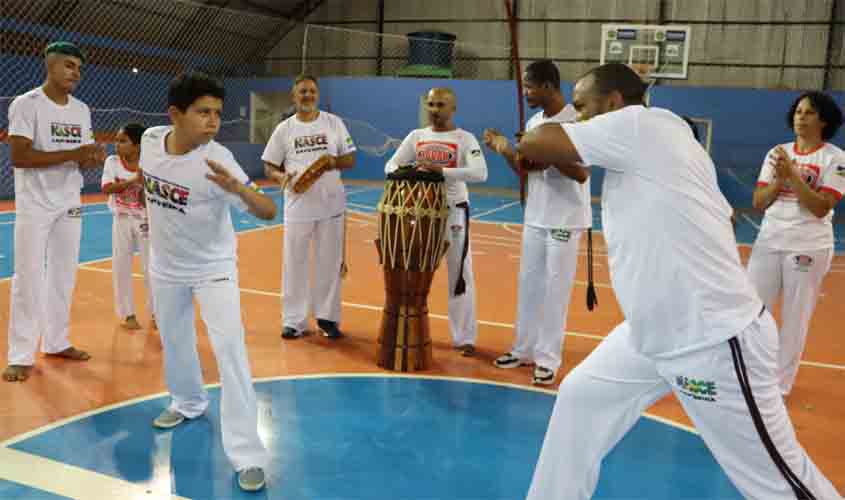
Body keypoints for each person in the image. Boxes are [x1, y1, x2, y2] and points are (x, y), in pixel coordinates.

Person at [517, 63, 841, 500]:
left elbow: (538, 141)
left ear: (613, 104)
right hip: (650, 333)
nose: (576, 116)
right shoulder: (656, 143)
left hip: (710, 338)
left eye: (581, 107)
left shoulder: (640, 124)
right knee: (581, 399)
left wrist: (554, 117)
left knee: (777, 479)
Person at [141, 71, 275, 491]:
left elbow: (268, 210)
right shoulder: (149, 142)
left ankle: (248, 454)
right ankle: (187, 402)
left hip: (213, 268)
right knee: (176, 341)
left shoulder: (217, 161)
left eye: (217, 113)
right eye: (203, 112)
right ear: (175, 115)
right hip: (165, 266)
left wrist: (240, 188)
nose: (213, 120)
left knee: (230, 351)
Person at [483, 59, 591, 385]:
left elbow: (581, 172)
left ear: (547, 86)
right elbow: (527, 169)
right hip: (536, 215)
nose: (526, 92)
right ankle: (523, 349)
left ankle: (548, 359)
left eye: (530, 87)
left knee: (556, 289)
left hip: (565, 217)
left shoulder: (576, 120)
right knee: (529, 285)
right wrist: (505, 149)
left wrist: (543, 150)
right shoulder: (534, 120)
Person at [4, 41, 105, 383]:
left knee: (64, 274)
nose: (75, 72)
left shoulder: (81, 110)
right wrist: (73, 153)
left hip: (69, 201)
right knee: (28, 276)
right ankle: (20, 355)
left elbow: (82, 156)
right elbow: (20, 157)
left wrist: (92, 158)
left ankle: (56, 341)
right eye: (69, 65)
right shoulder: (26, 104)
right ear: (50, 65)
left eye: (78, 67)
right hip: (35, 203)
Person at [748, 91, 845, 396]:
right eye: (798, 111)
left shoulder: (836, 159)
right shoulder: (777, 153)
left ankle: (780, 385)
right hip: (770, 240)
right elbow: (759, 202)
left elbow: (820, 207)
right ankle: (749, 373)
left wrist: (793, 176)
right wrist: (780, 180)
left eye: (809, 112)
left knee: (795, 316)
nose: (800, 117)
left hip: (808, 245)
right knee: (752, 310)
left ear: (824, 120)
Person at [385, 87, 488, 356]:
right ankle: (411, 327)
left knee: (460, 275)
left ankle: (464, 337)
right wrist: (411, 171)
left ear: (453, 108)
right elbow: (391, 166)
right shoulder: (416, 136)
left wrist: (442, 172)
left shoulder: (465, 138)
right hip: (420, 217)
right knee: (415, 271)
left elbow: (480, 173)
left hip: (454, 212)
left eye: (440, 105)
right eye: (430, 104)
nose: (434, 110)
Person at [262, 75, 356, 340]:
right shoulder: (284, 129)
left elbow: (349, 159)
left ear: (318, 95)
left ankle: (328, 318)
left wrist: (331, 162)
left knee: (329, 263)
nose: (307, 95)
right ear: (294, 96)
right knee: (295, 263)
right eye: (302, 91)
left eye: (312, 91)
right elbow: (269, 165)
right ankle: (294, 321)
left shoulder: (333, 123)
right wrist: (281, 178)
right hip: (298, 206)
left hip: (332, 205)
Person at [101, 123, 156, 330]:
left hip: (144, 220)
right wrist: (134, 180)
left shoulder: (149, 164)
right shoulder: (112, 162)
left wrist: (143, 188)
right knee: (121, 266)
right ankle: (128, 314)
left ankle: (156, 313)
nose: (117, 144)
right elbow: (107, 188)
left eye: (123, 141)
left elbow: (149, 196)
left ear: (137, 145)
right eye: (116, 140)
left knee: (151, 268)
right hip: (122, 219)